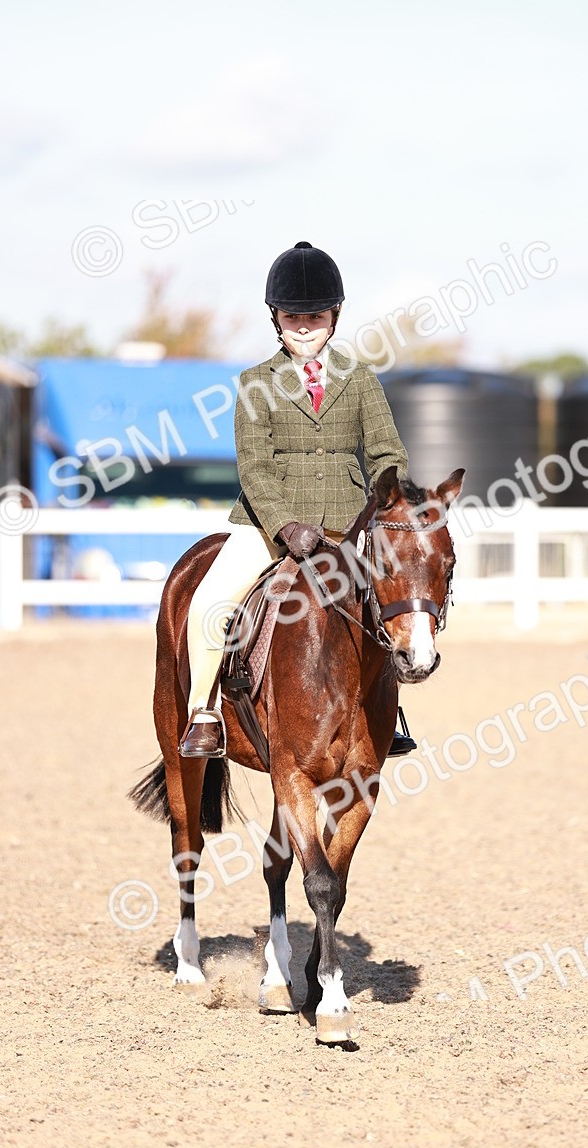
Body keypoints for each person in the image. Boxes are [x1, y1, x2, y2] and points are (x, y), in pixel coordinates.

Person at [180, 239, 417, 759]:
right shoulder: (255, 383)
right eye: (293, 317)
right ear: (276, 318)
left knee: (394, 600)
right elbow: (254, 467)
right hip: (268, 524)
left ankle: (388, 711)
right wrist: (286, 526)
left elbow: (387, 452)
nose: (304, 327)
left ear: (334, 317)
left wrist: (387, 502)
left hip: (348, 523)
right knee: (210, 602)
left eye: (315, 316)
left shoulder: (360, 380)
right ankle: (204, 712)